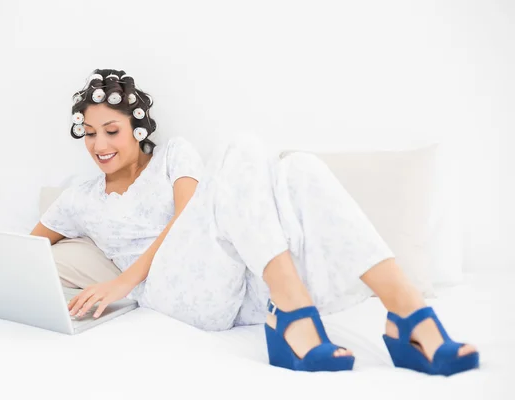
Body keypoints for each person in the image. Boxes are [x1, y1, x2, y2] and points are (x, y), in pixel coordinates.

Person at [30, 68, 479, 375]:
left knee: (299, 167)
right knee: (241, 146)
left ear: (137, 128)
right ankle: (300, 318)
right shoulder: (80, 199)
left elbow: (188, 218)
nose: (99, 144)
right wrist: (116, 285)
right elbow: (22, 251)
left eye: (112, 130)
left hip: (240, 286)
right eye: (89, 133)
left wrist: (122, 280)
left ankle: (405, 309)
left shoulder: (173, 156)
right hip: (175, 296)